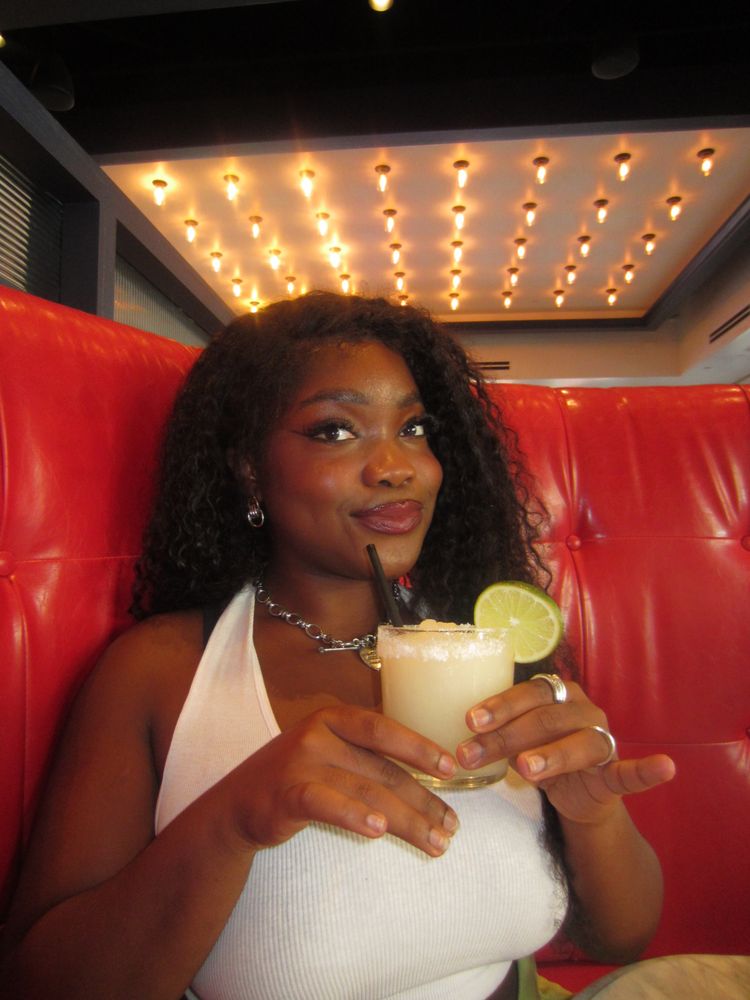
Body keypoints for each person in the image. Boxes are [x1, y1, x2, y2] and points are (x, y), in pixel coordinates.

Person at [1, 291, 676, 1000]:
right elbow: (39, 980)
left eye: (414, 428)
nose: (396, 466)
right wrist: (233, 819)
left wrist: (592, 812)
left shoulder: (478, 647)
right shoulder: (163, 670)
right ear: (250, 469)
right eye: (335, 430)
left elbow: (621, 936)